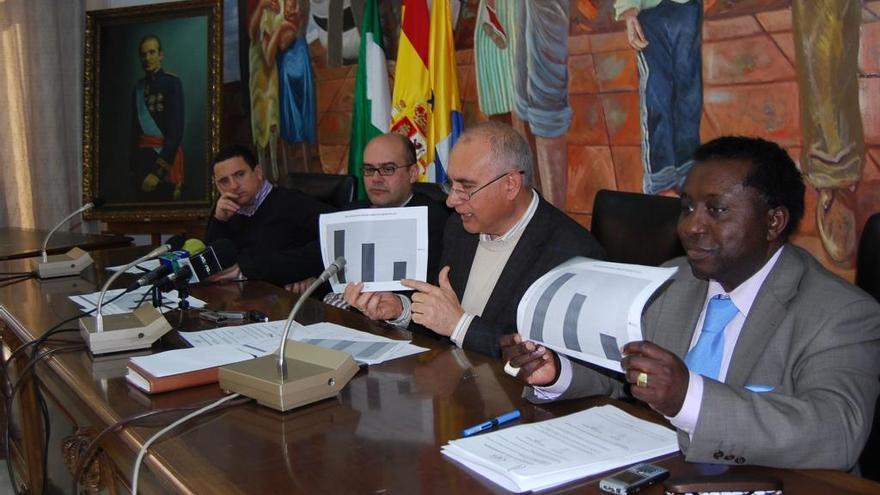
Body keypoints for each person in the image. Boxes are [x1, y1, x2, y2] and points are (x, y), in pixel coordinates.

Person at [502, 136, 880, 470]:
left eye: (716, 210)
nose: (690, 227)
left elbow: (838, 432)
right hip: (660, 472)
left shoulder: (840, 313)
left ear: (774, 221)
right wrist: (555, 372)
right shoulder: (673, 280)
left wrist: (690, 398)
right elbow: (619, 372)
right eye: (687, 208)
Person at [345, 121, 605, 357]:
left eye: (466, 188)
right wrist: (400, 310)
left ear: (511, 185)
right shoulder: (459, 228)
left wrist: (460, 326)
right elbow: (441, 321)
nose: (451, 200)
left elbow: (547, 360)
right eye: (451, 185)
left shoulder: (572, 254)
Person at [319, 133, 449, 307]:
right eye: (369, 169)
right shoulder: (352, 211)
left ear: (412, 173)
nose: (375, 178)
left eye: (388, 169)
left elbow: (426, 294)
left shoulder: (433, 221)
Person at [204, 144, 334, 286]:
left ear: (258, 172)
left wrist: (314, 275)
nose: (233, 186)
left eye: (240, 175)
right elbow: (212, 266)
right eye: (224, 181)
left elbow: (337, 239)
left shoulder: (292, 202)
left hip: (287, 298)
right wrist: (219, 221)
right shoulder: (225, 211)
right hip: (243, 296)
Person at [615, 0, 702, 195]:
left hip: (687, 7)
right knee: (657, 94)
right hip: (648, 12)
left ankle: (688, 167)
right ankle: (660, 177)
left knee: (688, 92)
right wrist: (629, 12)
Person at [131, 34, 184, 201]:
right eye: (143, 54)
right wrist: (133, 171)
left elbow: (175, 133)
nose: (147, 58)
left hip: (163, 165)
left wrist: (157, 173)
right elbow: (133, 134)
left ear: (161, 55)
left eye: (152, 52)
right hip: (141, 165)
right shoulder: (138, 88)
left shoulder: (172, 83)